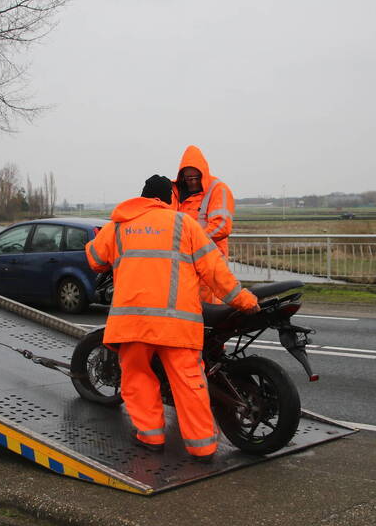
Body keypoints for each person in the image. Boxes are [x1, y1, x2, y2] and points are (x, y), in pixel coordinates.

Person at [85, 175, 259, 461]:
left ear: (142, 197)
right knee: (190, 383)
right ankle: (202, 447)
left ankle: (151, 437)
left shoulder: (117, 226)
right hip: (177, 326)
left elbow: (94, 258)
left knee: (138, 378)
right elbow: (215, 272)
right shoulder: (185, 225)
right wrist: (245, 301)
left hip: (132, 325)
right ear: (168, 200)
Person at [172, 145, 235, 259]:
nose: (193, 182)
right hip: (182, 259)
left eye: (197, 177)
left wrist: (192, 241)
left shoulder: (218, 189)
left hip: (211, 258)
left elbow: (221, 226)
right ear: (182, 177)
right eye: (189, 178)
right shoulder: (173, 191)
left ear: (204, 174)